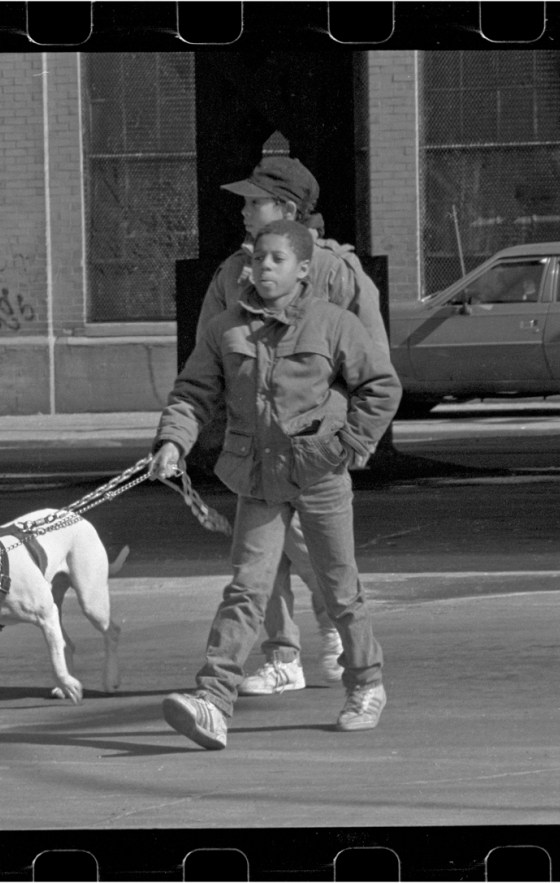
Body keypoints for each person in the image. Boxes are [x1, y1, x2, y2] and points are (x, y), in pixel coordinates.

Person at [151, 219, 401, 749]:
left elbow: (380, 387)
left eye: (276, 259)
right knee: (246, 588)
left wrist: (348, 445)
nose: (262, 267)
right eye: (257, 258)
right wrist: (173, 443)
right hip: (257, 478)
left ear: (303, 268)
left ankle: (366, 685)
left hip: (319, 475)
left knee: (340, 590)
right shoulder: (226, 329)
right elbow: (193, 393)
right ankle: (214, 702)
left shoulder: (333, 323)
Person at [195, 155, 390, 697]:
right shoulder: (232, 274)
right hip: (256, 449)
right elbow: (207, 360)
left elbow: (373, 366)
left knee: (316, 557)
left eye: (254, 200)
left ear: (287, 209)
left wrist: (342, 442)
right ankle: (282, 656)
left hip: (314, 455)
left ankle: (340, 642)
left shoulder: (334, 271)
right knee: (261, 563)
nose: (243, 209)